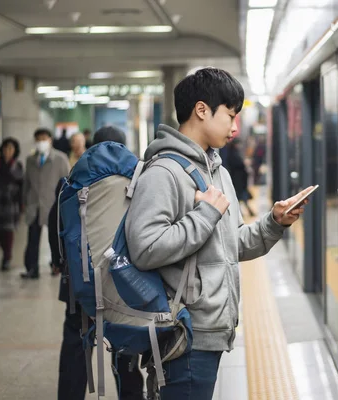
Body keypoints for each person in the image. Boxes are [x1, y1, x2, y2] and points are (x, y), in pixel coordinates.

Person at [125, 67, 309, 400]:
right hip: (184, 335)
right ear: (201, 110)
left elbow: (231, 243)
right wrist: (206, 215)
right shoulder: (164, 172)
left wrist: (274, 222)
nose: (235, 127)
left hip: (212, 331)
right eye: (230, 115)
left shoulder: (216, 170)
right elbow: (145, 248)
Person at [50, 126, 145, 400]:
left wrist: (60, 263)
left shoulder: (72, 178)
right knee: (125, 346)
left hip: (78, 282)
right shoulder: (138, 179)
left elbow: (55, 223)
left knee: (76, 345)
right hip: (123, 281)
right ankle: (131, 395)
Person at [22, 128, 70, 279]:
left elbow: (67, 181)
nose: (41, 142)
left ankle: (56, 264)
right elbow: (26, 183)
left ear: (50, 140)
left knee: (55, 237)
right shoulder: (30, 160)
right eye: (38, 139)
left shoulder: (60, 158)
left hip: (53, 205)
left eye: (44, 138)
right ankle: (32, 268)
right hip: (34, 204)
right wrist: (24, 200)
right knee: (33, 239)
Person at [0, 137, 23, 271]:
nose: (8, 151)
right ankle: (4, 251)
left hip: (11, 202)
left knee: (8, 231)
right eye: (6, 148)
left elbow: (21, 183)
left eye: (11, 149)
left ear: (15, 151)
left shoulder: (17, 165)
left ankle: (7, 257)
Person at [224, 138, 255, 217]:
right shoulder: (233, 154)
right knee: (241, 197)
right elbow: (239, 164)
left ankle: (242, 213)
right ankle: (244, 213)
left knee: (240, 198)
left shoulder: (233, 153)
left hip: (238, 180)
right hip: (238, 180)